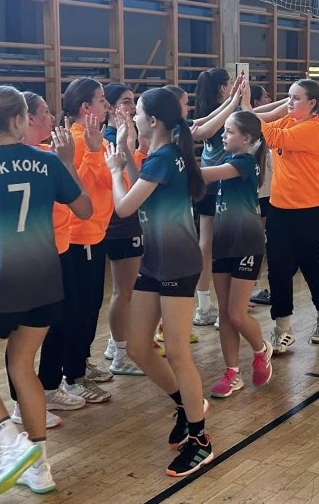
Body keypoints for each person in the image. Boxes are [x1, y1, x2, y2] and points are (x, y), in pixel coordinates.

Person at [0, 86, 92, 496]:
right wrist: (66, 163)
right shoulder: (47, 161)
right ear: (19, 120)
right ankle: (40, 468)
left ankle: (10, 441)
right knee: (23, 366)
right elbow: (84, 210)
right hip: (45, 282)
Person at [104, 87, 213, 477]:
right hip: (155, 262)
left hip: (178, 263)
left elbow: (124, 206)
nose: (132, 116)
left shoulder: (166, 156)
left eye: (137, 112)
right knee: (138, 347)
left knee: (178, 354)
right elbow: (144, 191)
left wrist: (114, 169)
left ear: (153, 121)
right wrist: (125, 148)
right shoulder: (162, 156)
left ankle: (200, 440)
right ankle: (185, 404)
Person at [6, 93, 86, 431]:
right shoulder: (23, 161)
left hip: (60, 250)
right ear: (26, 118)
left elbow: (80, 203)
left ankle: (49, 388)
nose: (52, 118)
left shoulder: (49, 156)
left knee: (65, 321)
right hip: (30, 257)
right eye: (45, 112)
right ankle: (19, 404)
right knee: (23, 334)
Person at [249, 79, 319, 352]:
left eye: (296, 98)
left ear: (313, 104)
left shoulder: (313, 129)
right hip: (280, 209)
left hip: (314, 211)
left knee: (313, 267)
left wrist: (245, 105)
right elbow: (260, 121)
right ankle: (282, 329)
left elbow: (268, 135)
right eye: (289, 96)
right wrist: (249, 105)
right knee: (278, 270)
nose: (290, 102)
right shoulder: (289, 121)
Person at [200, 110, 273, 398]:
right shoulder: (230, 159)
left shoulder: (244, 162)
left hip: (246, 244)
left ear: (247, 139)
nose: (223, 135)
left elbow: (204, 174)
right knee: (225, 314)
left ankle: (261, 349)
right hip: (224, 243)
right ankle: (232, 373)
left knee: (237, 313)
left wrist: (172, 160)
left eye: (229, 131)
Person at [59, 78, 115, 403]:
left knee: (91, 304)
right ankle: (73, 376)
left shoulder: (96, 140)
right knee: (80, 308)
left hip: (96, 232)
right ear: (85, 107)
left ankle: (80, 362)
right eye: (101, 100)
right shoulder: (78, 141)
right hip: (80, 236)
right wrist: (95, 154)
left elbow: (110, 180)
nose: (106, 106)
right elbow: (73, 188)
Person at [191, 68, 244, 326]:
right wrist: (235, 102)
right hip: (221, 182)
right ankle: (224, 309)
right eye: (230, 83)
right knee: (225, 245)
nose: (233, 85)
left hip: (208, 180)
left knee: (206, 243)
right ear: (223, 88)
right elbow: (203, 132)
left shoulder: (207, 111)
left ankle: (205, 306)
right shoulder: (227, 115)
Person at [101, 83, 146, 376]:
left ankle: (115, 344)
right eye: (126, 102)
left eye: (133, 101)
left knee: (127, 291)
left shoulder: (128, 135)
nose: (132, 106)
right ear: (110, 107)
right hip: (120, 223)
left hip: (129, 220)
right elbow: (126, 183)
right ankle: (119, 354)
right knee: (123, 291)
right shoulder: (110, 140)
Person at [249, 85, 274, 306]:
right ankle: (251, 287)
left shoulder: (267, 127)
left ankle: (253, 286)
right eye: (265, 96)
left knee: (260, 240)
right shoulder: (252, 133)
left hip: (268, 195)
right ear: (256, 102)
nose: (269, 98)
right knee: (254, 240)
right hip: (255, 196)